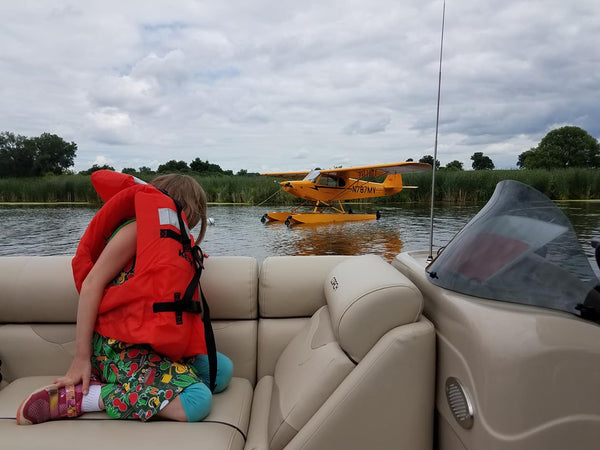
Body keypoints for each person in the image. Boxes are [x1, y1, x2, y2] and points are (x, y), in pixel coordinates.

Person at [17, 171, 233, 425]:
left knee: (221, 372)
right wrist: (80, 358)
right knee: (197, 401)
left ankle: (158, 380)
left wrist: (187, 256)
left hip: (151, 341)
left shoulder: (176, 245)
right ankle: (85, 398)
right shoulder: (135, 231)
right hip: (117, 346)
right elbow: (91, 285)